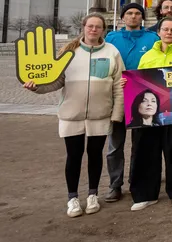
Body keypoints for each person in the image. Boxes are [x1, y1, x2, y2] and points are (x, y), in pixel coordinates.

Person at [24, 13, 124, 217]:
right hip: (71, 114)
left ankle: (92, 194)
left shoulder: (112, 51)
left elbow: (118, 86)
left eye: (98, 27)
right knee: (74, 156)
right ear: (84, 27)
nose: (94, 30)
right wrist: (36, 88)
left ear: (103, 30)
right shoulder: (68, 52)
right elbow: (56, 82)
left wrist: (117, 114)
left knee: (96, 155)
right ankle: (72, 198)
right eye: (90, 26)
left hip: (100, 113)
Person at [128, 17, 172, 211]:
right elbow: (138, 82)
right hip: (149, 111)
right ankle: (145, 194)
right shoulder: (147, 56)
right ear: (159, 32)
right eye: (165, 29)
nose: (169, 33)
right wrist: (127, 84)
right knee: (145, 151)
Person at [104, 2, 159, 203]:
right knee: (115, 145)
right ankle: (114, 184)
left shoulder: (152, 38)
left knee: (141, 145)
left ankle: (137, 180)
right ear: (123, 17)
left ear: (142, 18)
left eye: (137, 13)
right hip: (118, 97)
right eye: (129, 13)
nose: (133, 16)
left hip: (143, 98)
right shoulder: (111, 38)